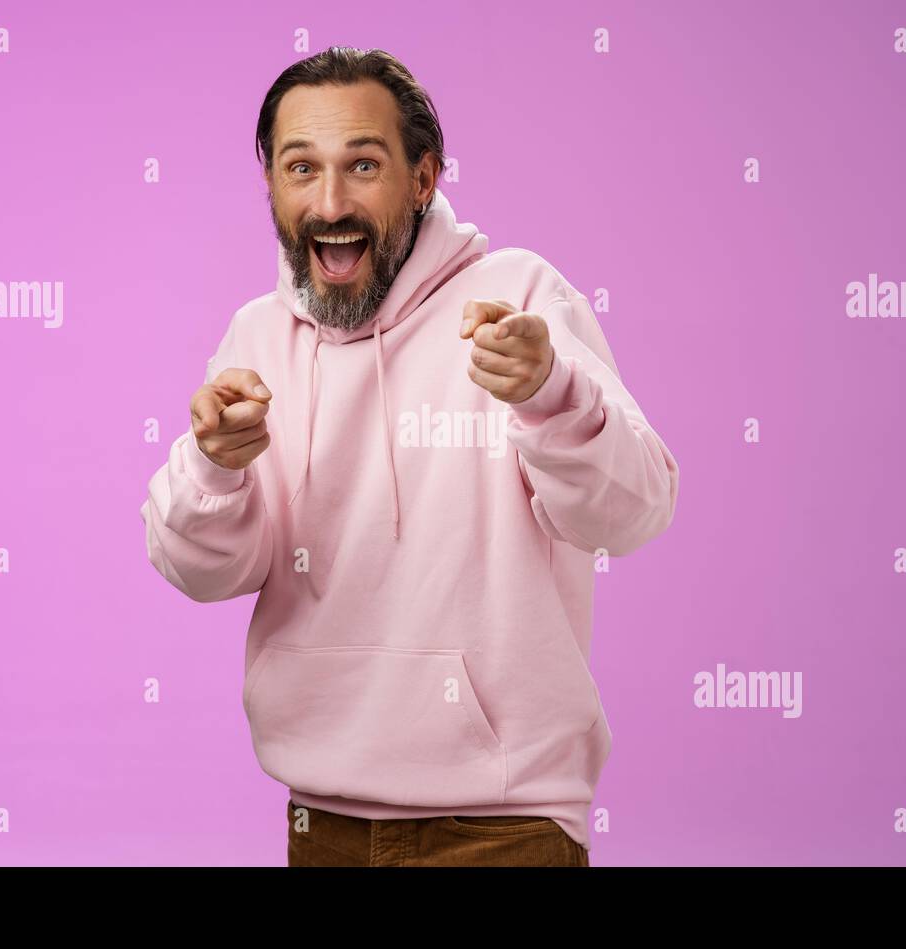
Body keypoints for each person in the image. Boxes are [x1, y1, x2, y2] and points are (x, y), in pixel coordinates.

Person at [139, 46, 681, 867]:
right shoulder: (256, 337)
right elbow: (205, 572)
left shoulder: (520, 298)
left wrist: (551, 392)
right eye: (300, 168)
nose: (330, 202)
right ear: (272, 186)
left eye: (363, 164)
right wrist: (215, 466)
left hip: (504, 828)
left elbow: (633, 512)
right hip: (319, 823)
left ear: (423, 178)